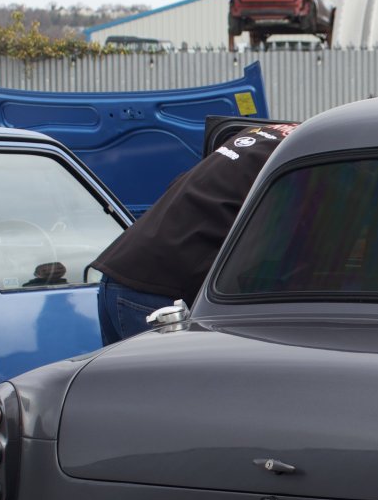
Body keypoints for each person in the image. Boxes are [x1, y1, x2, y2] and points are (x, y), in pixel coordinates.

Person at [92, 122, 296, 343]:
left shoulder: (266, 133)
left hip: (120, 275)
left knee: (117, 378)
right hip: (158, 294)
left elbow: (180, 184)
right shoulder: (305, 152)